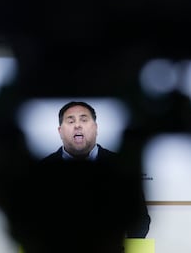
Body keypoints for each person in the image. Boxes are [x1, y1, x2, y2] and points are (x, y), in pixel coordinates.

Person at [42, 101, 151, 239]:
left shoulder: (121, 166)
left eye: (84, 120)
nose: (77, 126)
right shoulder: (41, 169)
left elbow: (140, 221)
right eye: (70, 121)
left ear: (95, 128)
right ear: (60, 131)